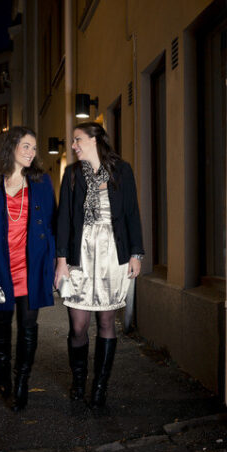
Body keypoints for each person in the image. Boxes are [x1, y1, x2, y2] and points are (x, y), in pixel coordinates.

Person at [54, 122, 144, 410]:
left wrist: (136, 254)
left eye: (78, 139)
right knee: (78, 325)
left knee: (106, 322)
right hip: (79, 255)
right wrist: (61, 262)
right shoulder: (72, 174)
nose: (73, 146)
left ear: (94, 140)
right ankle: (79, 380)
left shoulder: (122, 171)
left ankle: (100, 386)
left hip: (112, 254)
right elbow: (64, 220)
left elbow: (132, 213)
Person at [0, 126, 56, 412]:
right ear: (11, 147)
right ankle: (4, 373)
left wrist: (55, 263)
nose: (32, 152)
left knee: (28, 327)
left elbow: (51, 225)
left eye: (34, 148)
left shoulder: (42, 182)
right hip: (0, 265)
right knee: (1, 324)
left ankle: (22, 381)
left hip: (32, 264)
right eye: (26, 146)